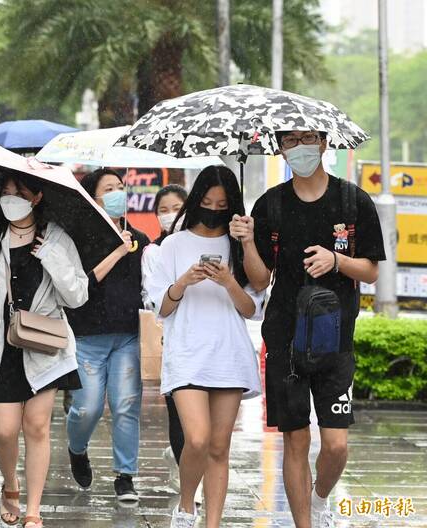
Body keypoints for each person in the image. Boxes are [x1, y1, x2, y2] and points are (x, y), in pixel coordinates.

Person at [230, 130, 385, 528]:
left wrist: (336, 261)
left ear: (324, 143)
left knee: (335, 445)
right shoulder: (271, 205)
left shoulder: (353, 201)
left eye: (309, 138)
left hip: (335, 343)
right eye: (291, 140)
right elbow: (261, 280)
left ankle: (319, 498)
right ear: (280, 148)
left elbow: (369, 270)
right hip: (286, 343)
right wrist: (248, 242)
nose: (300, 147)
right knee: (295, 440)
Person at [0, 172, 88, 528]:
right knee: (3, 430)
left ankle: (33, 511)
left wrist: (51, 258)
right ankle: (10, 484)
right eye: (5, 192)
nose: (10, 198)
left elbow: (77, 295)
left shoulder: (57, 237)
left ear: (38, 197)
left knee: (37, 426)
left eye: (20, 192)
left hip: (45, 348)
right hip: (1, 348)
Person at [144, 165, 262, 528]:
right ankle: (185, 507)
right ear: (196, 201)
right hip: (186, 351)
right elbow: (161, 307)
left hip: (229, 352)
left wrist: (229, 279)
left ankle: (212, 522)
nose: (213, 209)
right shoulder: (173, 245)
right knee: (195, 438)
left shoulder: (237, 244)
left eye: (222, 203)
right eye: (207, 201)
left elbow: (252, 309)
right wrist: (182, 282)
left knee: (218, 447)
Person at [64, 168, 148, 503]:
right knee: (87, 408)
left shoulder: (140, 239)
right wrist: (116, 251)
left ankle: (125, 476)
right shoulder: (79, 238)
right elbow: (80, 285)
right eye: (108, 189)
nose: (117, 193)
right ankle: (77, 447)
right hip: (87, 336)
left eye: (120, 187)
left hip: (127, 336)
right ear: (93, 198)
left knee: (126, 404)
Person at [141, 184, 201, 502]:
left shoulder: (204, 246)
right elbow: (156, 302)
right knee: (178, 412)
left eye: (176, 207)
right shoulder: (154, 252)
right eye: (163, 210)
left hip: (204, 341)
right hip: (172, 339)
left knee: (203, 424)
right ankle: (182, 468)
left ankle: (187, 461)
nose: (170, 215)